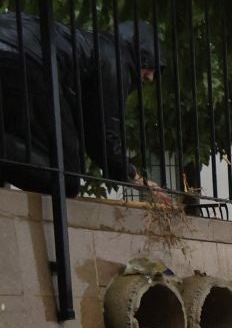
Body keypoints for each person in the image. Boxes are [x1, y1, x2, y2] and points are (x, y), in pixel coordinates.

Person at [0, 17, 170, 201]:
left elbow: (88, 129)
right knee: (66, 177)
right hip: (27, 61)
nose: (151, 77)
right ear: (140, 53)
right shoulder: (115, 61)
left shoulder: (93, 48)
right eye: (151, 66)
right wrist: (134, 177)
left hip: (14, 49)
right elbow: (101, 134)